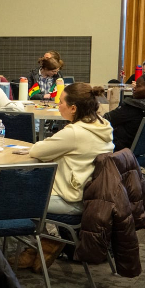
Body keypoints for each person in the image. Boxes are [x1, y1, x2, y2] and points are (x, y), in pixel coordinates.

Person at [29, 84, 114, 214]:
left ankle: (32, 232)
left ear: (73, 108)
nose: (58, 104)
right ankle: (40, 233)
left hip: (69, 199)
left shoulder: (74, 132)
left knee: (13, 196)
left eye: (61, 102)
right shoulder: (102, 124)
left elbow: (37, 151)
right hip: (89, 195)